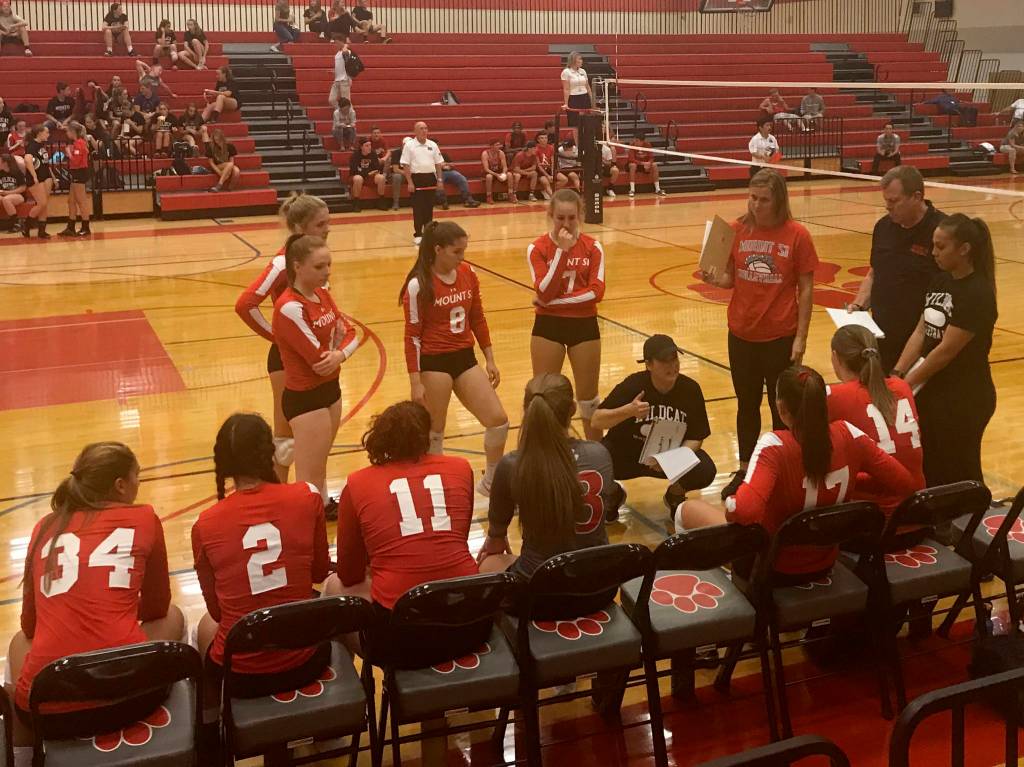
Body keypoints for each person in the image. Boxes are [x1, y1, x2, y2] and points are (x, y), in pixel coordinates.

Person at [6, 442, 184, 761]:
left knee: (19, 642)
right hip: (133, 696)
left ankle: (24, 754)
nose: (138, 484)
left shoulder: (44, 527)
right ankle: (203, 737)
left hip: (50, 710)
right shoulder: (144, 517)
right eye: (136, 477)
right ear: (120, 485)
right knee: (173, 616)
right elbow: (157, 607)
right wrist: (116, 610)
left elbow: (30, 624)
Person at [678, 366, 916, 580]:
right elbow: (906, 483)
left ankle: (721, 598)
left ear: (780, 408)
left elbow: (743, 512)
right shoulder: (849, 434)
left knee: (685, 511)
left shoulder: (774, 445)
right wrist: (850, 483)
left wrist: (732, 501)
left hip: (771, 568)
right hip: (824, 562)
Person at [193, 413, 330, 702]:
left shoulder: (205, 523)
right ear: (269, 452)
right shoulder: (306, 496)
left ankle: (209, 727)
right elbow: (319, 574)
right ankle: (328, 730)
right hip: (306, 661)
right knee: (332, 602)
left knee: (204, 626)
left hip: (240, 675)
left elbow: (218, 613)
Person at [701, 169, 818, 500]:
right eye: (752, 197)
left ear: (779, 200)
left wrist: (801, 338)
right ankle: (744, 468)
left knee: (780, 407)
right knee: (746, 405)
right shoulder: (736, 230)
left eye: (763, 199)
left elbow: (807, 289)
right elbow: (730, 279)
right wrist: (714, 279)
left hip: (780, 336)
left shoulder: (797, 235)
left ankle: (783, 466)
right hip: (741, 334)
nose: (755, 205)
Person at [324, 400, 477, 609]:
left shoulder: (357, 483)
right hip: (466, 608)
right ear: (426, 435)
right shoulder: (460, 468)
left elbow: (349, 574)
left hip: (400, 623)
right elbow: (458, 538)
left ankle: (343, 643)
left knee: (334, 585)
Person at [400, 220, 509, 496]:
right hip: (434, 361)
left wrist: (490, 357)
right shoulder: (418, 285)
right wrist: (415, 382)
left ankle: (492, 481)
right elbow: (411, 336)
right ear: (438, 249)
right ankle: (436, 489)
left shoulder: (467, 273)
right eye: (456, 251)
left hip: (465, 357)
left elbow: (477, 317)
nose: (462, 257)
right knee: (435, 432)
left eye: (464, 251)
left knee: (498, 420)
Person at [894, 214, 997, 486]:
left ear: (964, 250)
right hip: (933, 390)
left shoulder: (978, 293)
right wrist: (897, 373)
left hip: (965, 395)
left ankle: (969, 519)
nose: (933, 252)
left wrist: (906, 384)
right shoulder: (940, 281)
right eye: (933, 245)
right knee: (932, 463)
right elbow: (920, 332)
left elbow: (946, 350)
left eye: (941, 247)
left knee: (960, 466)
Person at [235, 194, 331, 485]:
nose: (327, 229)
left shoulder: (316, 257)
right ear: (300, 227)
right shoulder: (282, 263)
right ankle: (275, 494)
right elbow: (245, 304)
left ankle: (321, 498)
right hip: (288, 360)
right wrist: (278, 337)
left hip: (315, 356)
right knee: (286, 435)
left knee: (316, 437)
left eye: (329, 222)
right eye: (320, 224)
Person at [477, 373, 612, 576]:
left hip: (543, 588)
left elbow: (496, 541)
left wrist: (495, 540)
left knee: (488, 564)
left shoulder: (512, 465)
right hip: (599, 583)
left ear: (527, 411)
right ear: (572, 410)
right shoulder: (599, 453)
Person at [272, 234, 359, 505]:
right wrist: (338, 348)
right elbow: (318, 361)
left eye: (329, 265)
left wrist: (340, 352)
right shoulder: (289, 307)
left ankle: (320, 511)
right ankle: (305, 535)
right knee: (308, 480)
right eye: (319, 267)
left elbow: (352, 333)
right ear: (297, 267)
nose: (327, 272)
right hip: (306, 399)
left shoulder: (322, 294)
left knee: (319, 470)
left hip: (331, 391)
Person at [591, 334, 716, 520]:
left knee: (704, 468)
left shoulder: (691, 389)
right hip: (628, 455)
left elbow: (697, 437)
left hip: (666, 457)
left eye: (674, 358)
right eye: (664, 360)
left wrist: (673, 459)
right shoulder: (633, 385)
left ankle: (675, 494)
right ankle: (613, 493)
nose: (672, 365)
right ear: (649, 365)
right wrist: (628, 411)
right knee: (595, 460)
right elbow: (596, 420)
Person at [848, 165, 946, 372]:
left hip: (922, 345)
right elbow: (874, 273)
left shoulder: (941, 232)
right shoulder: (883, 227)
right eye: (885, 201)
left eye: (893, 201)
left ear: (917, 197)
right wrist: (858, 305)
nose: (888, 207)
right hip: (882, 340)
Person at [528, 189, 606, 442]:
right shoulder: (537, 248)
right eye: (560, 218)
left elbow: (596, 293)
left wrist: (551, 303)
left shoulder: (593, 247)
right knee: (545, 398)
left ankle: (597, 457)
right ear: (551, 215)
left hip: (584, 326)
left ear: (580, 215)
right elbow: (545, 290)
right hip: (548, 326)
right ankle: (550, 455)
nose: (566, 224)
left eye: (571, 218)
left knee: (588, 400)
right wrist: (561, 251)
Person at [827, 325, 924, 514]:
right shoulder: (902, 387)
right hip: (915, 511)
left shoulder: (834, 396)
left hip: (870, 519)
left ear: (835, 357)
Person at [400, 121, 444, 245]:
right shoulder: (409, 146)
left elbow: (438, 164)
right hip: (416, 178)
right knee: (418, 208)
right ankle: (418, 234)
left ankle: (428, 233)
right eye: (421, 128)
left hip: (430, 178)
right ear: (415, 131)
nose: (424, 131)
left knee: (429, 207)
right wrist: (410, 182)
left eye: (426, 128)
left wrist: (439, 180)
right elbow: (406, 165)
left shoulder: (433, 145)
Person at [58, 122, 92, 238]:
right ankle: (70, 227)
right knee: (71, 200)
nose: (66, 133)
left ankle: (85, 227)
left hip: (80, 172)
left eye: (68, 131)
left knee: (81, 200)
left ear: (73, 132)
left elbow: (76, 162)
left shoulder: (79, 143)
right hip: (76, 173)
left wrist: (68, 153)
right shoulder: (77, 143)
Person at [22, 125, 52, 239]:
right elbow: (27, 160)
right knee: (42, 203)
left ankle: (42, 231)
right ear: (39, 133)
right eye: (46, 132)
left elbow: (45, 162)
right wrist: (34, 176)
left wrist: (52, 177)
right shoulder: (32, 145)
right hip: (36, 178)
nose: (48, 134)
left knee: (44, 205)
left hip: (46, 176)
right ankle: (26, 225)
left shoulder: (42, 145)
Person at [560, 51, 593, 143]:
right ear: (573, 60)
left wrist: (592, 100)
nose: (581, 60)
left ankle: (587, 144)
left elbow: (588, 87)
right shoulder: (566, 72)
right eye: (579, 59)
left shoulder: (583, 71)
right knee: (576, 125)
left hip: (584, 97)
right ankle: (579, 146)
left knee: (586, 122)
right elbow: (566, 89)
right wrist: (566, 104)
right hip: (574, 98)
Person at [348, 136, 385, 212]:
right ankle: (356, 202)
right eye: (367, 146)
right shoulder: (355, 155)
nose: (369, 147)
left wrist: (370, 172)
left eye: (370, 145)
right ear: (361, 147)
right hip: (357, 176)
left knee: (381, 178)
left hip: (369, 176)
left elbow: (377, 168)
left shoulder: (373, 154)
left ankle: (381, 200)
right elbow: (354, 170)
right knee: (358, 178)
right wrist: (367, 173)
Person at [627, 130, 664, 196]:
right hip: (636, 164)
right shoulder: (632, 145)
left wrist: (649, 163)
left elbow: (651, 157)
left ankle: (657, 189)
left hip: (645, 164)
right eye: (635, 140)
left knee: (654, 165)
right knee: (632, 165)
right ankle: (632, 190)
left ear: (642, 141)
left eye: (637, 140)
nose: (635, 142)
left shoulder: (647, 145)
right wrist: (642, 163)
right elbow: (631, 159)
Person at [205, 127, 240, 192]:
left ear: (222, 138)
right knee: (229, 165)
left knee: (237, 171)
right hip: (217, 166)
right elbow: (211, 163)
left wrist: (228, 170)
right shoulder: (211, 147)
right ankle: (219, 185)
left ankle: (230, 188)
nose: (217, 142)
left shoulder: (230, 146)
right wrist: (220, 173)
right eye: (215, 140)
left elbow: (232, 161)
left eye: (218, 140)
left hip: (228, 165)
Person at [481, 138, 514, 205]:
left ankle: (510, 194)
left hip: (499, 171)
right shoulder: (485, 153)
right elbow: (486, 169)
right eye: (497, 145)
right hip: (490, 172)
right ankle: (489, 196)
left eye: (499, 145)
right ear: (491, 146)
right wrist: (496, 175)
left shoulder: (501, 153)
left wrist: (504, 173)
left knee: (509, 174)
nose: (499, 146)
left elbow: (505, 167)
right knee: (489, 177)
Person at [0, 154, 25, 232]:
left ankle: (15, 222)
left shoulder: (17, 173)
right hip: (4, 194)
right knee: (4, 198)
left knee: (6, 199)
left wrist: (8, 193)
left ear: (5, 163)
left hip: (18, 195)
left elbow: (23, 187)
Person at [328, 38, 352, 108]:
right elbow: (340, 66)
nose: (336, 45)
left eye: (337, 43)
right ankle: (341, 111)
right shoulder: (337, 54)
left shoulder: (347, 51)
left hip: (344, 80)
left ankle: (351, 117)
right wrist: (334, 71)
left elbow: (346, 56)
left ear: (342, 42)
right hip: (337, 80)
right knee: (331, 100)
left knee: (347, 101)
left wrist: (345, 45)